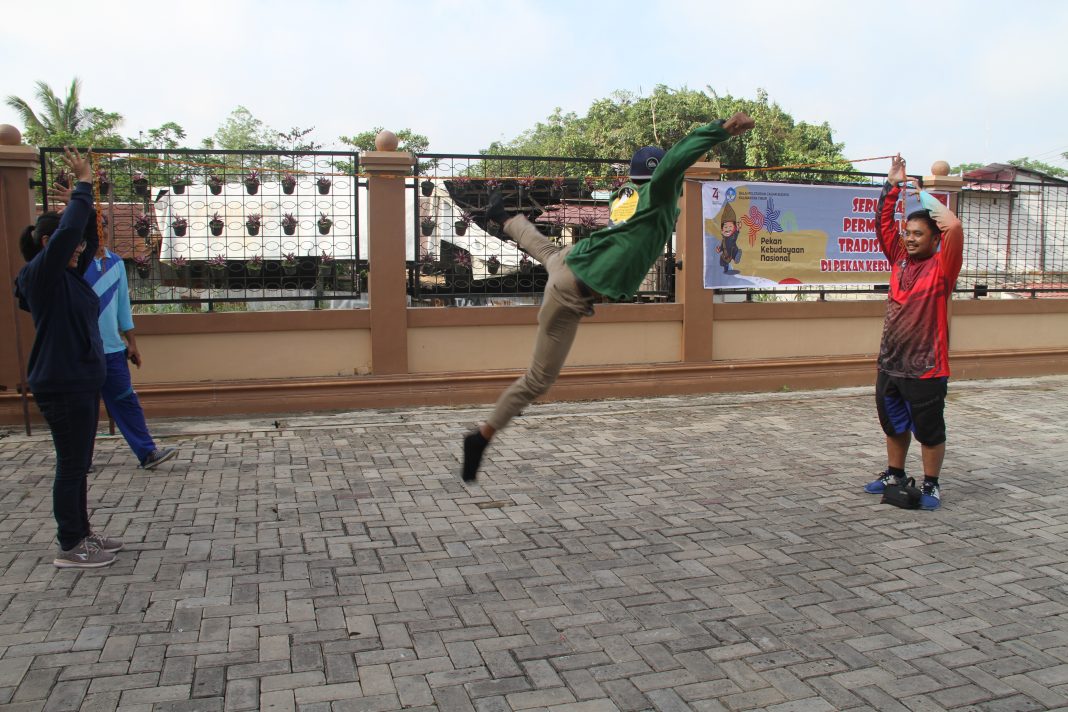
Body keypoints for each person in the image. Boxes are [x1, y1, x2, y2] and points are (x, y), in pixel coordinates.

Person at [461, 112, 756, 481]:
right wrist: (720, 130)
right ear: (662, 175)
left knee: (549, 252)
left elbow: (670, 167)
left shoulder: (645, 200)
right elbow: (678, 158)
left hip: (570, 265)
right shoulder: (659, 197)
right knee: (537, 381)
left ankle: (504, 218)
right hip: (569, 293)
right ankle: (481, 437)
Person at [15, 148, 122, 568]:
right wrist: (83, 183)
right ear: (49, 244)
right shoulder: (41, 276)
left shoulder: (67, 279)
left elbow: (88, 236)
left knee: (80, 465)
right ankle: (69, 544)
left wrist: (85, 203)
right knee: (72, 466)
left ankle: (83, 534)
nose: (80, 249)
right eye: (69, 243)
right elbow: (71, 235)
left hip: (78, 381)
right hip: (62, 384)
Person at [863, 154, 963, 510]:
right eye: (907, 233)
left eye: (918, 233)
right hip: (890, 363)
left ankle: (932, 484)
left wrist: (922, 195)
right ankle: (894, 473)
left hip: (927, 368)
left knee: (929, 430)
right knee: (893, 425)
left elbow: (952, 225)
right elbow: (882, 225)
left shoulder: (943, 267)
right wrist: (892, 184)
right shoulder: (899, 258)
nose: (909, 239)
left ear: (935, 240)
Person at [81, 241, 177, 470]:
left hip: (113, 349)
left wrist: (132, 342)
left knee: (126, 400)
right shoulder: (75, 263)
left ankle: (147, 452)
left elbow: (123, 304)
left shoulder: (115, 262)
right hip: (82, 350)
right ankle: (80, 459)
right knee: (84, 406)